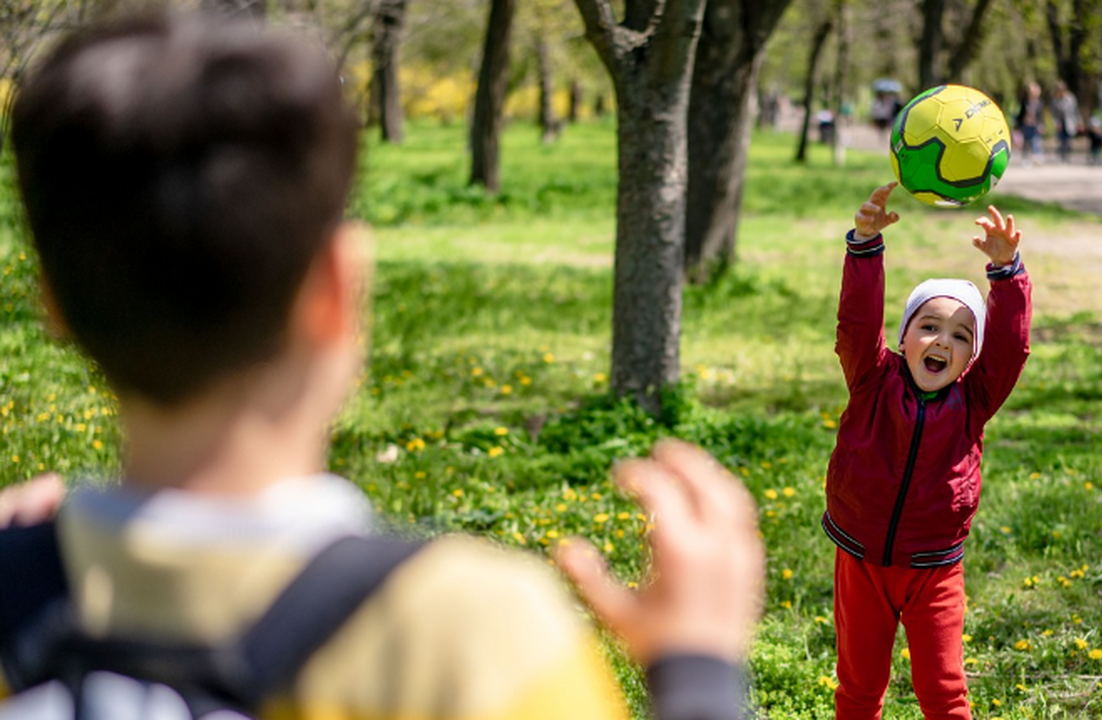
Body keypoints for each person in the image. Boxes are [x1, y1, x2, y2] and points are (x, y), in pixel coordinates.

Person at [2, 12, 764, 719]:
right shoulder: (468, 635)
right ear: (339, 287)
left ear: (53, 304)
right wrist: (696, 671)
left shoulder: (18, 598)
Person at [824, 182, 1032, 720]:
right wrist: (865, 245)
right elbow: (856, 324)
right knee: (859, 688)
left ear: (970, 359)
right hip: (861, 559)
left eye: (962, 336)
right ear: (903, 336)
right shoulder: (871, 379)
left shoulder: (974, 399)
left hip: (934, 570)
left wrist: (1007, 274)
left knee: (942, 691)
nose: (943, 341)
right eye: (931, 326)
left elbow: (1010, 347)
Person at [1015, 82, 1045, 165]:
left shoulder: (1040, 102)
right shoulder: (1025, 102)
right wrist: (1018, 124)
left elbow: (1041, 115)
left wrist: (1042, 124)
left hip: (1035, 125)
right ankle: (1025, 158)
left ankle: (1038, 156)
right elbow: (1021, 113)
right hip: (1026, 125)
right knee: (1026, 142)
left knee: (1036, 140)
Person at [1050, 81, 1079, 162]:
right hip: (1060, 123)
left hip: (1069, 122)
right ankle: (1061, 156)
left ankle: (1067, 155)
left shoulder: (1071, 98)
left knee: (1068, 141)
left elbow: (1075, 111)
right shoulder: (1055, 100)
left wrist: (1079, 121)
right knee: (1061, 140)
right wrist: (1055, 122)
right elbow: (1053, 113)